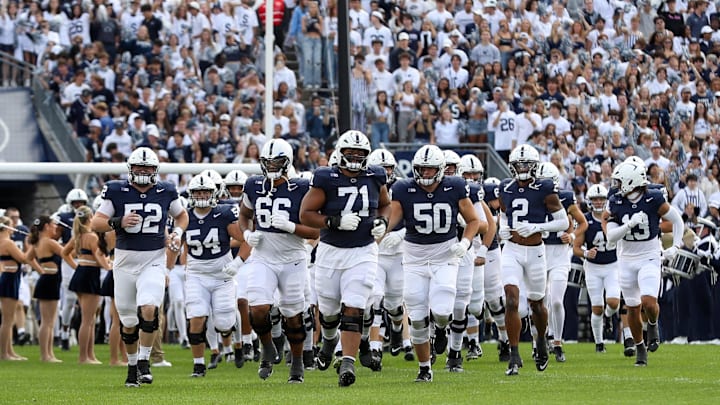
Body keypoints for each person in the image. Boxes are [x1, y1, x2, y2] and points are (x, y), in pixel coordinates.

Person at [299, 130, 391, 387]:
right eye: (351, 152)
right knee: (328, 312)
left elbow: (386, 204)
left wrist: (383, 221)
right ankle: (329, 340)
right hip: (331, 252)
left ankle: (348, 363)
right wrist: (333, 221)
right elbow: (305, 213)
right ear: (340, 153)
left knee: (354, 307)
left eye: (360, 153)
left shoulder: (375, 175)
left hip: (363, 250)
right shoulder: (326, 177)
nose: (355, 157)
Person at [91, 147, 189, 387]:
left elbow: (182, 215)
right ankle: (133, 366)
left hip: (153, 259)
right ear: (130, 169)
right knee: (127, 320)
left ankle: (144, 361)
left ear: (155, 170)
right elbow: (96, 223)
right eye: (139, 167)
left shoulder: (166, 190)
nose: (143, 171)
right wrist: (119, 222)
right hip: (124, 261)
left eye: (148, 168)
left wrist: (177, 233)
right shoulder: (117, 189)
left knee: (149, 308)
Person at [385, 144, 484, 382]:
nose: (425, 174)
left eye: (430, 170)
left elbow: (474, 221)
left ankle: (440, 329)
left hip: (445, 254)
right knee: (417, 317)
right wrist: (385, 232)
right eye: (421, 169)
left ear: (440, 170)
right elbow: (390, 218)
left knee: (443, 309)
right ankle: (424, 368)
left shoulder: (455, 186)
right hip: (414, 257)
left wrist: (466, 242)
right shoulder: (403, 188)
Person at [239, 139, 319, 383]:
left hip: (293, 258)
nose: (272, 167)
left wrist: (291, 226)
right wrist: (246, 233)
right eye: (268, 162)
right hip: (263, 256)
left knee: (293, 316)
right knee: (258, 309)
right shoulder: (254, 185)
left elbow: (315, 232)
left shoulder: (303, 187)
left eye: (277, 162)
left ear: (288, 163)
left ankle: (296, 363)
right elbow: (244, 215)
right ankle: (267, 347)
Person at [498, 144, 569, 376]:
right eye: (519, 164)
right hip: (511, 250)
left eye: (527, 164)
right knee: (511, 301)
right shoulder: (505, 188)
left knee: (537, 305)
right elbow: (502, 216)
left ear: (535, 165)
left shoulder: (545, 188)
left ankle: (540, 342)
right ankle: (515, 353)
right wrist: (502, 230)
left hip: (537, 251)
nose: (523, 168)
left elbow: (563, 223)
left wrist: (537, 227)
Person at [604, 161, 684, 366]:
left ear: (632, 180)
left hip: (649, 254)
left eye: (620, 180)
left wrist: (675, 246)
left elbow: (677, 220)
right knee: (632, 307)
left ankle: (653, 324)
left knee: (649, 302)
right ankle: (640, 347)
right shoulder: (615, 201)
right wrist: (628, 224)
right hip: (626, 258)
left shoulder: (653, 198)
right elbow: (611, 237)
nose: (617, 184)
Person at [176, 174, 246, 378]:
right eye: (197, 192)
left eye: (205, 191)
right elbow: (175, 245)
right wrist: (166, 268)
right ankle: (198, 365)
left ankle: (236, 343)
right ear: (191, 194)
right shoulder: (185, 216)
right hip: (196, 274)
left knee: (224, 322)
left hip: (222, 275)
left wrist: (238, 262)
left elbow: (246, 239)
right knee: (196, 318)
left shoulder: (224, 213)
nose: (201, 195)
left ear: (214, 193)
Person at [535, 162, 588, 362]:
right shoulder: (532, 199)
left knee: (556, 300)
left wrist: (572, 236)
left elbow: (582, 223)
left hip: (559, 254)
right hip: (538, 252)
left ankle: (557, 342)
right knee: (539, 300)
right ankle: (540, 340)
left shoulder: (565, 197)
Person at [366, 149, 409, 364]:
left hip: (399, 254)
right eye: (381, 169)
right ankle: (375, 348)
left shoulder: (403, 187)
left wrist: (402, 234)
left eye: (388, 168)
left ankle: (396, 327)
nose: (385, 172)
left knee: (394, 303)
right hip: (375, 252)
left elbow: (417, 218)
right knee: (374, 298)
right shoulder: (365, 186)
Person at [573, 184, 620, 353]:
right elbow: (576, 247)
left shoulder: (614, 217)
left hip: (613, 265)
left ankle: (608, 317)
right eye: (595, 199)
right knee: (596, 307)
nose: (599, 202)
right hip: (593, 267)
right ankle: (599, 343)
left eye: (601, 199)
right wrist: (586, 253)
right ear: (589, 201)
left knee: (613, 302)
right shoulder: (585, 220)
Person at [62, 206, 111, 364]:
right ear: (91, 218)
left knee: (88, 318)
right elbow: (99, 256)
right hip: (89, 274)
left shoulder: (78, 236)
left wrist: (77, 266)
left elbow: (65, 253)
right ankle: (85, 356)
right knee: (88, 319)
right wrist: (109, 266)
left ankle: (90, 355)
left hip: (82, 273)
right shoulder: (91, 236)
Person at [54, 188, 89, 351]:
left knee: (89, 301)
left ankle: (87, 333)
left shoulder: (90, 216)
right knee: (69, 300)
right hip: (70, 259)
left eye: (81, 203)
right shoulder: (63, 218)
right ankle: (65, 331)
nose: (78, 206)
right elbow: (54, 237)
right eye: (76, 203)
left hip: (87, 259)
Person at [28, 216, 63, 363]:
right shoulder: (49, 242)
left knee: (49, 320)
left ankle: (49, 354)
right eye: (53, 225)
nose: (55, 227)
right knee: (48, 321)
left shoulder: (37, 243)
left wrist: (41, 270)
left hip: (48, 279)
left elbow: (29, 258)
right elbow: (67, 253)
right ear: (47, 226)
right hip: (49, 280)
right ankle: (45, 355)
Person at [0, 216, 33, 361]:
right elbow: (24, 258)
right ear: (6, 227)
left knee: (9, 317)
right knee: (7, 320)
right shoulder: (8, 243)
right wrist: (32, 245)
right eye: (11, 226)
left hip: (10, 278)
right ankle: (4, 353)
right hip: (9, 279)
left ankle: (9, 351)